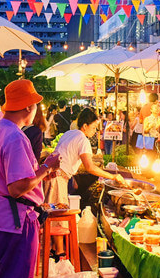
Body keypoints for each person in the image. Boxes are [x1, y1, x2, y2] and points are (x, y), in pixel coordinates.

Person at [0, 79, 60, 278]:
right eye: (34, 104)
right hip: (14, 222)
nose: (35, 110)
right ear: (27, 108)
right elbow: (17, 187)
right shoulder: (14, 137)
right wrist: (46, 167)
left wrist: (40, 169)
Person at [48, 108, 126, 255]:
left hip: (53, 175)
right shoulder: (83, 139)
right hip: (58, 178)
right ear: (85, 126)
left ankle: (54, 249)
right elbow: (90, 167)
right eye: (94, 127)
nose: (95, 131)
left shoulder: (70, 133)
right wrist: (113, 176)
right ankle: (59, 252)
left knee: (55, 213)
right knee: (59, 215)